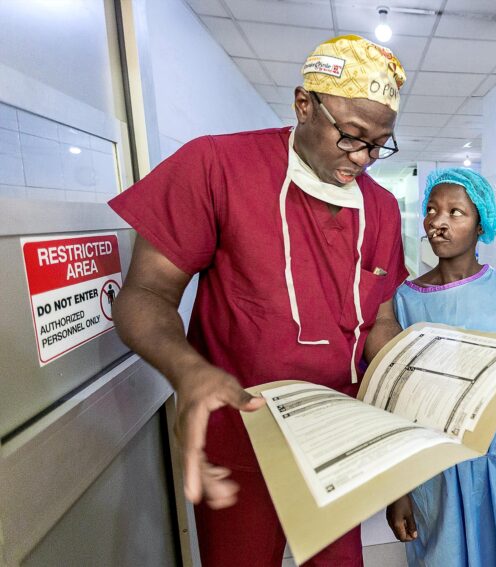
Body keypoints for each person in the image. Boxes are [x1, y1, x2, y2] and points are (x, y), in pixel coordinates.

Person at [109, 35, 408, 566]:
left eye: (379, 143)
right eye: (351, 137)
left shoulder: (381, 209)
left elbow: (379, 319)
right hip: (240, 439)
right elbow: (145, 294)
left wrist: (409, 392)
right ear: (303, 105)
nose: (363, 158)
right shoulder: (217, 167)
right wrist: (188, 371)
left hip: (337, 444)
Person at [385, 168, 496, 566]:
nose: (439, 222)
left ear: (481, 223)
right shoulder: (405, 303)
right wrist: (398, 490)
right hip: (432, 471)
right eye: (432, 211)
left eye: (455, 212)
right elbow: (392, 400)